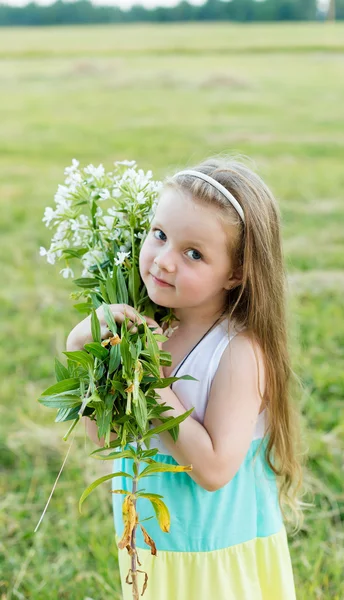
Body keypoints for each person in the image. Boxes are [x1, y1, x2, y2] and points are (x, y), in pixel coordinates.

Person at [66, 155, 304, 600]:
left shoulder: (237, 351)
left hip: (217, 554)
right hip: (154, 547)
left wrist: (154, 384)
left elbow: (214, 469)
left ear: (236, 273)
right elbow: (110, 441)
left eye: (193, 253)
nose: (164, 261)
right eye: (160, 235)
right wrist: (83, 348)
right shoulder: (148, 325)